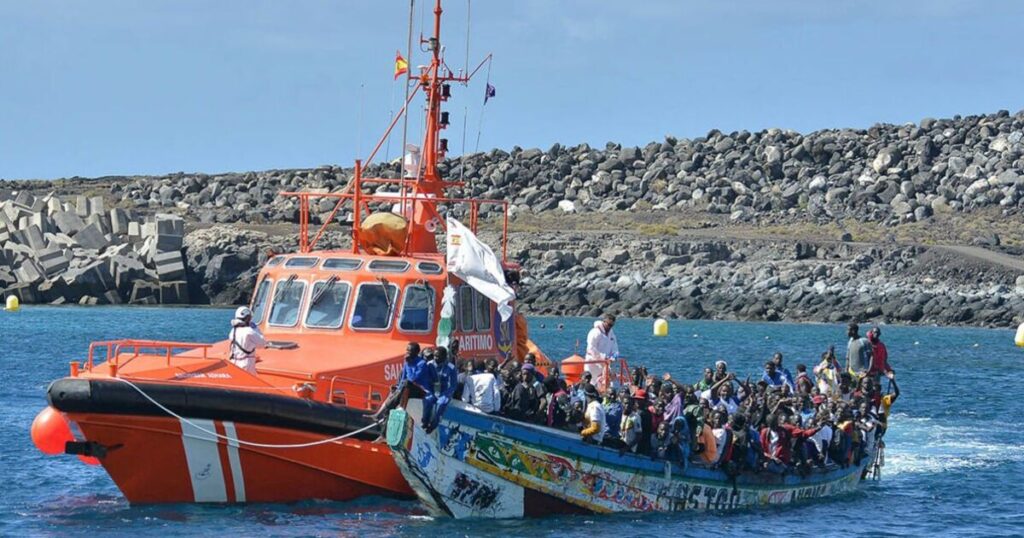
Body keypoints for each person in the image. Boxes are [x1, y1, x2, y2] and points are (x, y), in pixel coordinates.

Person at [422, 347, 457, 433]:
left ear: (444, 357)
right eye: (434, 356)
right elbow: (425, 380)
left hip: (444, 392)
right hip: (432, 390)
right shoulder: (429, 364)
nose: (435, 358)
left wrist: (445, 394)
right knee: (428, 401)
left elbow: (453, 385)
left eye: (438, 356)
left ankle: (433, 425)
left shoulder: (451, 368)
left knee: (441, 404)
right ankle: (424, 422)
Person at [228, 306, 267, 374]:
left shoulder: (233, 331)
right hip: (246, 364)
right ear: (247, 318)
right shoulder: (249, 331)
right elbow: (262, 343)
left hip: (234, 362)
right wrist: (256, 329)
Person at [585, 314, 619, 390]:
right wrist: (602, 357)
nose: (610, 327)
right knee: (591, 383)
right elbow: (591, 348)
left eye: (612, 325)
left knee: (607, 383)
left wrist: (614, 356)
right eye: (609, 324)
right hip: (593, 363)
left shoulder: (612, 334)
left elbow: (615, 347)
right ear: (604, 322)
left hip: (606, 364)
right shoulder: (595, 332)